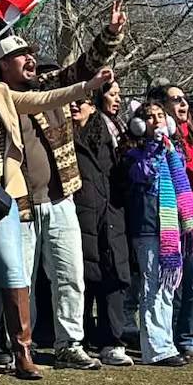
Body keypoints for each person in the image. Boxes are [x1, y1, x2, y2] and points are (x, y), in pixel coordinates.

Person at [0, 0, 125, 372]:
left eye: (32, 54)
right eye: (21, 56)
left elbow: (86, 65)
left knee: (70, 275)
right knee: (23, 281)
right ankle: (23, 346)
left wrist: (110, 34)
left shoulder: (52, 85)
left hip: (62, 196)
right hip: (21, 204)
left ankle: (70, 345)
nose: (30, 60)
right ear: (3, 65)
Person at [121, 102, 193, 367]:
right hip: (147, 227)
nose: (156, 121)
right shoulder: (133, 153)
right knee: (152, 287)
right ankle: (156, 349)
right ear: (138, 123)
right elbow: (142, 174)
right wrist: (155, 150)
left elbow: (183, 186)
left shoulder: (174, 152)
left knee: (167, 288)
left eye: (160, 116)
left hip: (170, 228)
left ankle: (166, 343)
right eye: (149, 117)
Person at [70, 95, 134, 367]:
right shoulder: (63, 137)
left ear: (93, 106)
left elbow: (117, 177)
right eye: (71, 101)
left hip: (110, 216)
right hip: (80, 215)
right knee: (82, 278)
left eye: (81, 101)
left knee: (113, 277)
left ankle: (113, 342)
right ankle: (80, 339)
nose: (75, 106)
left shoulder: (107, 137)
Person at [151, 82, 193, 360]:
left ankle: (188, 338)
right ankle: (168, 336)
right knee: (170, 281)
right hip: (166, 217)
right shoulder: (155, 138)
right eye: (176, 100)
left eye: (184, 99)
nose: (183, 104)